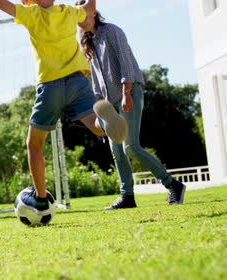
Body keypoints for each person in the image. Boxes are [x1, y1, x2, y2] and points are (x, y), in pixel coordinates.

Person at [0, 0, 126, 209]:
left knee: (34, 145)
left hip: (50, 85)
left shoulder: (30, 13)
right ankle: (106, 124)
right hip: (78, 81)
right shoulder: (68, 11)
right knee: (95, 126)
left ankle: (41, 198)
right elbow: (90, 9)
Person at [76, 3, 186, 209]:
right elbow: (97, 80)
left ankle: (174, 185)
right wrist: (99, 107)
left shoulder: (112, 32)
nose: (81, 20)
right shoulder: (88, 43)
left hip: (129, 91)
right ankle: (127, 196)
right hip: (109, 103)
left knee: (131, 147)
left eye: (84, 15)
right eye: (77, 17)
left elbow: (126, 63)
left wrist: (126, 93)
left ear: (93, 12)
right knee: (116, 150)